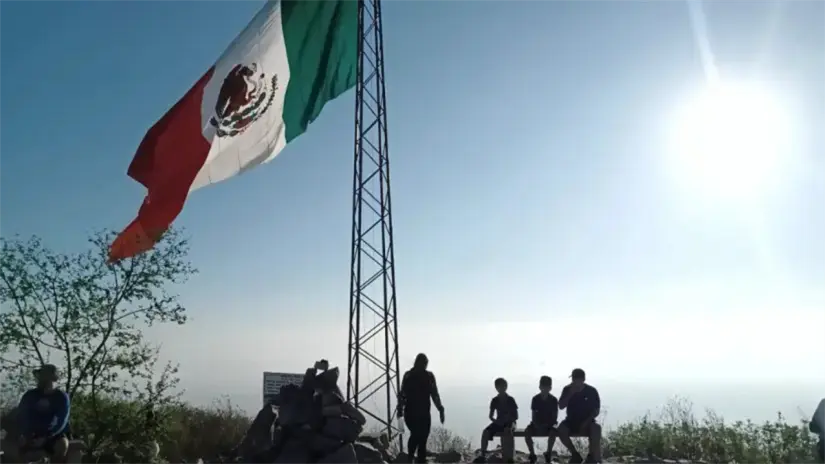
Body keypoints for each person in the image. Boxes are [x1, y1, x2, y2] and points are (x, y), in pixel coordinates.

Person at [16, 364, 71, 464]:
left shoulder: (61, 397)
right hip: (30, 433)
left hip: (52, 435)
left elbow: (61, 420)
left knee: (62, 445)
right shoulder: (30, 395)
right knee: (15, 446)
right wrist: (26, 433)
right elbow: (22, 415)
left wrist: (46, 436)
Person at [397, 353, 445, 464]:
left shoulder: (425, 376)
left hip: (420, 413)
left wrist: (440, 408)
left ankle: (418, 460)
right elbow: (403, 394)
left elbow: (434, 394)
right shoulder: (412, 376)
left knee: (421, 438)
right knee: (417, 435)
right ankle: (412, 458)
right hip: (414, 413)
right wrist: (400, 409)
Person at [558, 369, 601, 464]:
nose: (574, 382)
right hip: (571, 421)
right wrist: (570, 394)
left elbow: (596, 411)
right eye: (573, 379)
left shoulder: (591, 391)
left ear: (583, 379)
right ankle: (575, 454)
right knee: (561, 430)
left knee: (596, 429)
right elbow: (561, 406)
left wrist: (586, 422)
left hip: (588, 421)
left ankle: (591, 456)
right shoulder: (567, 389)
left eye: (576, 379)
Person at [479, 377, 518, 460]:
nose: (502, 388)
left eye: (503, 386)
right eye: (499, 387)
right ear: (496, 388)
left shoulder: (511, 400)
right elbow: (491, 416)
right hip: (499, 422)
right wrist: (496, 421)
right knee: (485, 432)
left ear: (506, 387)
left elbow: (516, 416)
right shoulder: (495, 400)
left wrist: (507, 419)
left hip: (510, 422)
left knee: (508, 431)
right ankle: (483, 455)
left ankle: (510, 457)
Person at [525, 376, 558, 464]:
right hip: (537, 424)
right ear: (540, 387)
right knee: (527, 432)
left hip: (550, 424)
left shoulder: (554, 400)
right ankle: (532, 454)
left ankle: (549, 453)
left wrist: (547, 425)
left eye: (547, 387)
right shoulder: (535, 399)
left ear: (550, 388)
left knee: (553, 432)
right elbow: (533, 415)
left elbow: (555, 417)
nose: (545, 389)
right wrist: (537, 425)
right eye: (543, 387)